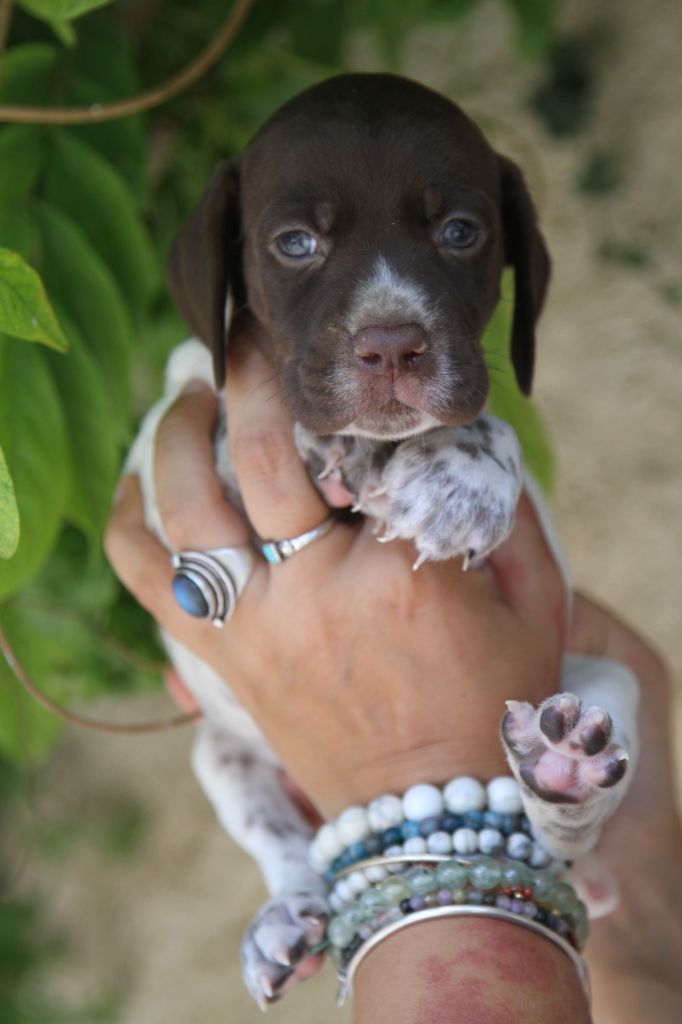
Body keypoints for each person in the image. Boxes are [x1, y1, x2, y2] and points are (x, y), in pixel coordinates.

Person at [105, 339, 682, 1023]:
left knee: (603, 691)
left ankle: (308, 879)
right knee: (604, 696)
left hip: (307, 709)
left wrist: (404, 787)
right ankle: (561, 823)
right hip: (492, 698)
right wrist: (638, 929)